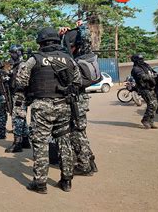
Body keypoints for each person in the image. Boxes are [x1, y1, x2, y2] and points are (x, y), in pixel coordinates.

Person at [17, 27, 80, 193]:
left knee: (40, 143)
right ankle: (66, 181)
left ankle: (40, 183)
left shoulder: (34, 59)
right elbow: (77, 81)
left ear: (40, 42)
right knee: (64, 141)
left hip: (42, 106)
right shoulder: (68, 59)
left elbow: (21, 81)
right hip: (64, 105)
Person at [61, 23, 98, 176]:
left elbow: (86, 39)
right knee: (80, 131)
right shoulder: (84, 54)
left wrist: (82, 27)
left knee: (76, 132)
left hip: (76, 99)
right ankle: (90, 161)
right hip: (81, 98)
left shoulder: (76, 56)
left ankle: (84, 166)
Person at [6, 44, 31, 153]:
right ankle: (25, 141)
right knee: (22, 118)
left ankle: (17, 144)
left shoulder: (22, 65)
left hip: (20, 95)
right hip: (16, 94)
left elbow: (23, 82)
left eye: (12, 53)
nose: (11, 55)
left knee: (16, 119)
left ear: (18, 53)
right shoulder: (16, 65)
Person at [131, 54, 158, 129]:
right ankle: (145, 120)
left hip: (150, 87)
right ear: (136, 60)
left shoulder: (146, 65)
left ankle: (151, 121)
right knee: (151, 104)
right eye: (140, 59)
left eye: (142, 59)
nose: (142, 60)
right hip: (143, 88)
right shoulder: (135, 69)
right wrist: (151, 77)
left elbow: (153, 72)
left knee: (155, 104)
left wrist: (157, 75)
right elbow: (143, 76)